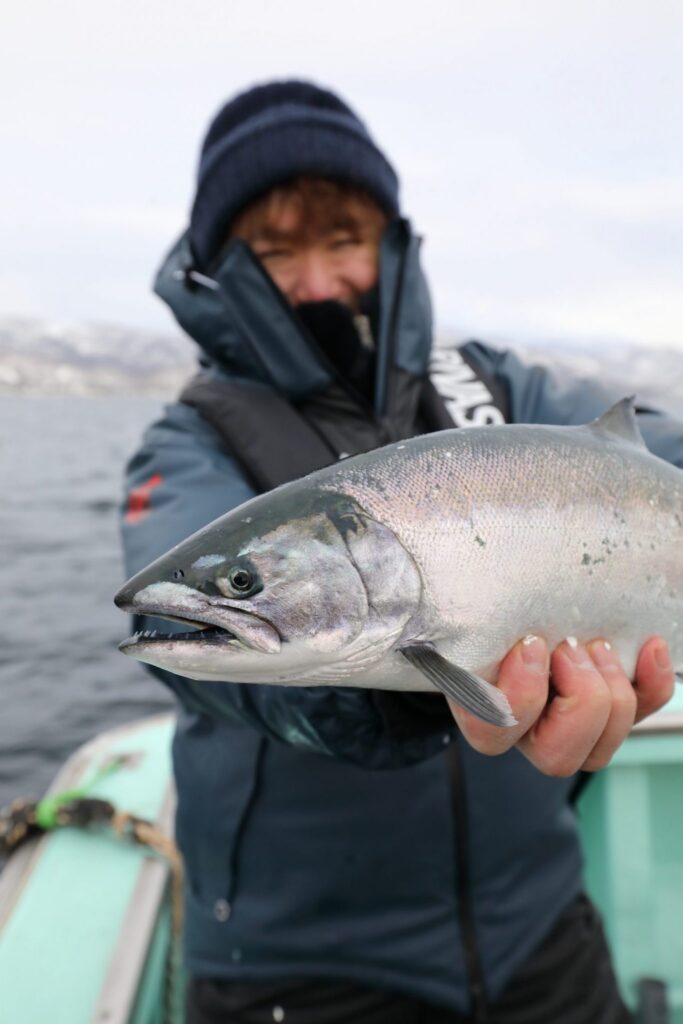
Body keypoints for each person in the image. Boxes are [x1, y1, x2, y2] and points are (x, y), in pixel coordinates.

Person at [121, 80, 681, 1024]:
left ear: (390, 245)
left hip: (535, 925)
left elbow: (648, 449)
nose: (318, 280)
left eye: (342, 240)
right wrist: (401, 700)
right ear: (223, 265)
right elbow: (204, 658)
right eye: (275, 249)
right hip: (296, 967)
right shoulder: (191, 442)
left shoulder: (490, 386)